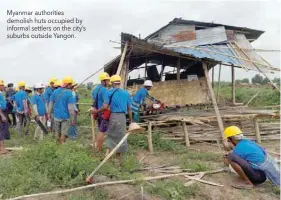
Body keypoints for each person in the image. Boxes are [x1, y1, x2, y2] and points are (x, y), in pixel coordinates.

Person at [105, 75, 132, 165]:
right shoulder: (126, 93)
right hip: (122, 117)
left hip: (112, 116)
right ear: (119, 83)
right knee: (121, 136)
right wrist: (131, 121)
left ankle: (107, 155)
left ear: (112, 83)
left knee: (110, 135)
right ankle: (117, 159)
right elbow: (129, 109)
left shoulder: (108, 92)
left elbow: (105, 106)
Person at [48, 76, 75, 144]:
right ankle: (62, 145)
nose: (71, 85)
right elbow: (71, 109)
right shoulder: (69, 94)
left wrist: (49, 114)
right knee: (63, 133)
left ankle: (57, 146)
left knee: (57, 132)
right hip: (65, 117)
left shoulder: (55, 91)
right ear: (68, 84)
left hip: (56, 116)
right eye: (70, 84)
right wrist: (72, 119)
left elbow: (50, 104)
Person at [91, 72, 110, 151]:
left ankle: (97, 145)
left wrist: (96, 111)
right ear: (103, 81)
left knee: (100, 129)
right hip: (102, 113)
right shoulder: (105, 90)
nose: (109, 82)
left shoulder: (96, 89)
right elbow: (105, 106)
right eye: (107, 80)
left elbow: (93, 100)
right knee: (102, 131)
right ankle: (98, 149)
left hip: (98, 112)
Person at [0, 80, 10, 154]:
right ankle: (2, 148)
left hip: (2, 112)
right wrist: (2, 116)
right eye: (2, 85)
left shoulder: (1, 93)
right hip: (1, 113)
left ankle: (2, 147)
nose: (3, 86)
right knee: (2, 130)